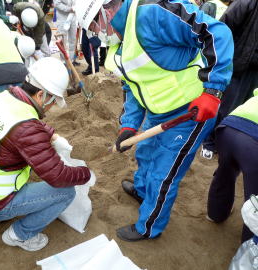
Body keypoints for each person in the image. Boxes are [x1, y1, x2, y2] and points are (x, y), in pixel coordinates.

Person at [76, 0, 233, 241]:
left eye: (93, 26)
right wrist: (129, 124)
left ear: (105, 12)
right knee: (146, 153)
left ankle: (148, 227)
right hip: (158, 110)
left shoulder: (151, 12)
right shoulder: (120, 42)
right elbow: (133, 85)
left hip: (190, 111)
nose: (95, 33)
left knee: (164, 173)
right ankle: (141, 192)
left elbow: (216, 33)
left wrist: (213, 90)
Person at [0, 57, 92, 251]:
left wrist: (52, 136)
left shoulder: (4, 97)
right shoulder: (27, 127)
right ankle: (19, 235)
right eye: (53, 101)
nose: (51, 107)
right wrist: (85, 174)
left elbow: (23, 121)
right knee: (66, 192)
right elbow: (57, 176)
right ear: (40, 95)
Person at [201, 0, 258, 159]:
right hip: (236, 63)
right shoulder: (247, 3)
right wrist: (223, 59)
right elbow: (223, 28)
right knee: (224, 106)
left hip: (255, 71)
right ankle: (209, 142)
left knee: (243, 110)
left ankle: (225, 143)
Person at [207, 89, 258, 243]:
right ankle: (249, 247)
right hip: (254, 142)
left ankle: (215, 214)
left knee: (225, 173)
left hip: (229, 127)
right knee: (255, 200)